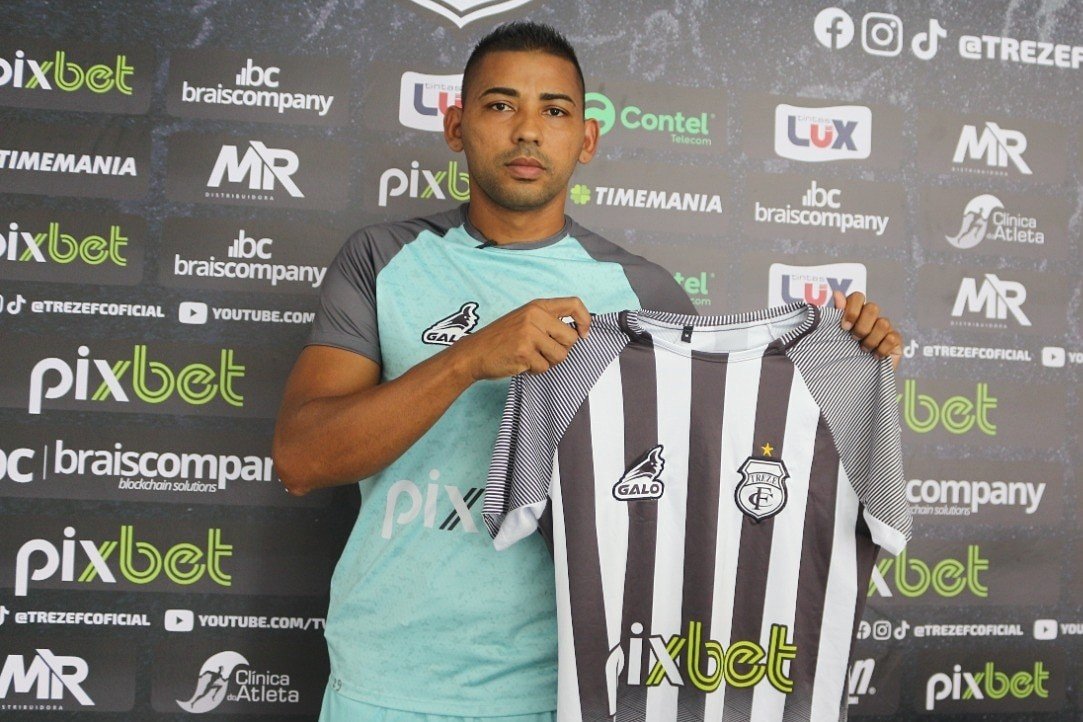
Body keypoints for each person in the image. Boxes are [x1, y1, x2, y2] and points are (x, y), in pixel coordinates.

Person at [272, 21, 903, 722]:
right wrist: (469, 358)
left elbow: (704, 495)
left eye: (554, 111)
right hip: (387, 682)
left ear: (587, 138)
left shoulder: (645, 295)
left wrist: (849, 362)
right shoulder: (382, 259)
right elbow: (302, 459)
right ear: (455, 126)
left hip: (577, 692)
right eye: (500, 105)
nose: (527, 131)